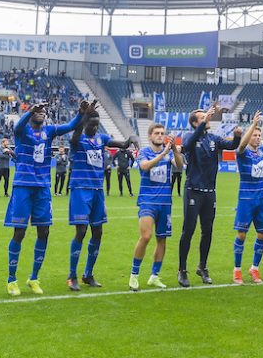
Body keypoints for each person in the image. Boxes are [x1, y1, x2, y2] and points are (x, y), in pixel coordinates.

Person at [4, 100, 86, 297]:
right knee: (19, 233)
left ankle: (34, 277)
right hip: (23, 186)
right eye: (37, 111)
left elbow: (71, 126)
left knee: (44, 232)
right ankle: (11, 280)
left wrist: (81, 112)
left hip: (42, 188)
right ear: (31, 114)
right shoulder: (22, 132)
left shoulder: (49, 131)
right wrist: (31, 109)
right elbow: (17, 126)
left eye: (43, 111)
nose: (41, 113)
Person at [66, 105, 135, 291]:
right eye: (92, 125)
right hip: (80, 189)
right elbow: (74, 136)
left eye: (97, 125)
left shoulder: (101, 138)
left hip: (97, 190)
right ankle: (72, 275)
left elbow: (121, 144)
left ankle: (88, 274)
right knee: (81, 231)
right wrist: (82, 117)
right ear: (85, 123)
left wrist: (131, 139)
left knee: (98, 232)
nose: (95, 128)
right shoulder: (77, 138)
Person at [178, 105, 241, 287]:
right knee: (188, 231)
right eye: (202, 117)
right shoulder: (190, 137)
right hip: (193, 191)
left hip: (209, 193)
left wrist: (237, 135)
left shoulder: (214, 138)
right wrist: (205, 119)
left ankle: (202, 267)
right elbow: (187, 146)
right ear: (195, 122)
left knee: (208, 231)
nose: (207, 119)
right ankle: (182, 270)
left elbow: (231, 146)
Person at [130, 124, 183, 291]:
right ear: (150, 136)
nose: (160, 136)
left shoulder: (168, 153)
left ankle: (154, 275)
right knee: (146, 236)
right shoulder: (145, 152)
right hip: (147, 200)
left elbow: (180, 166)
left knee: (162, 239)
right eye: (157, 133)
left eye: (162, 133)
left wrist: (174, 150)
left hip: (165, 202)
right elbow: (145, 166)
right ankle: (134, 275)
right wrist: (163, 153)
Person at [232, 111, 263, 285]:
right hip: (246, 198)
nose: (258, 137)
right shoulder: (242, 152)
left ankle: (254, 268)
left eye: (259, 135)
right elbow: (242, 145)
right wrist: (252, 125)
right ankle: (237, 270)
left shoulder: (262, 151)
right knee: (242, 234)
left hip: (262, 198)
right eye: (255, 135)